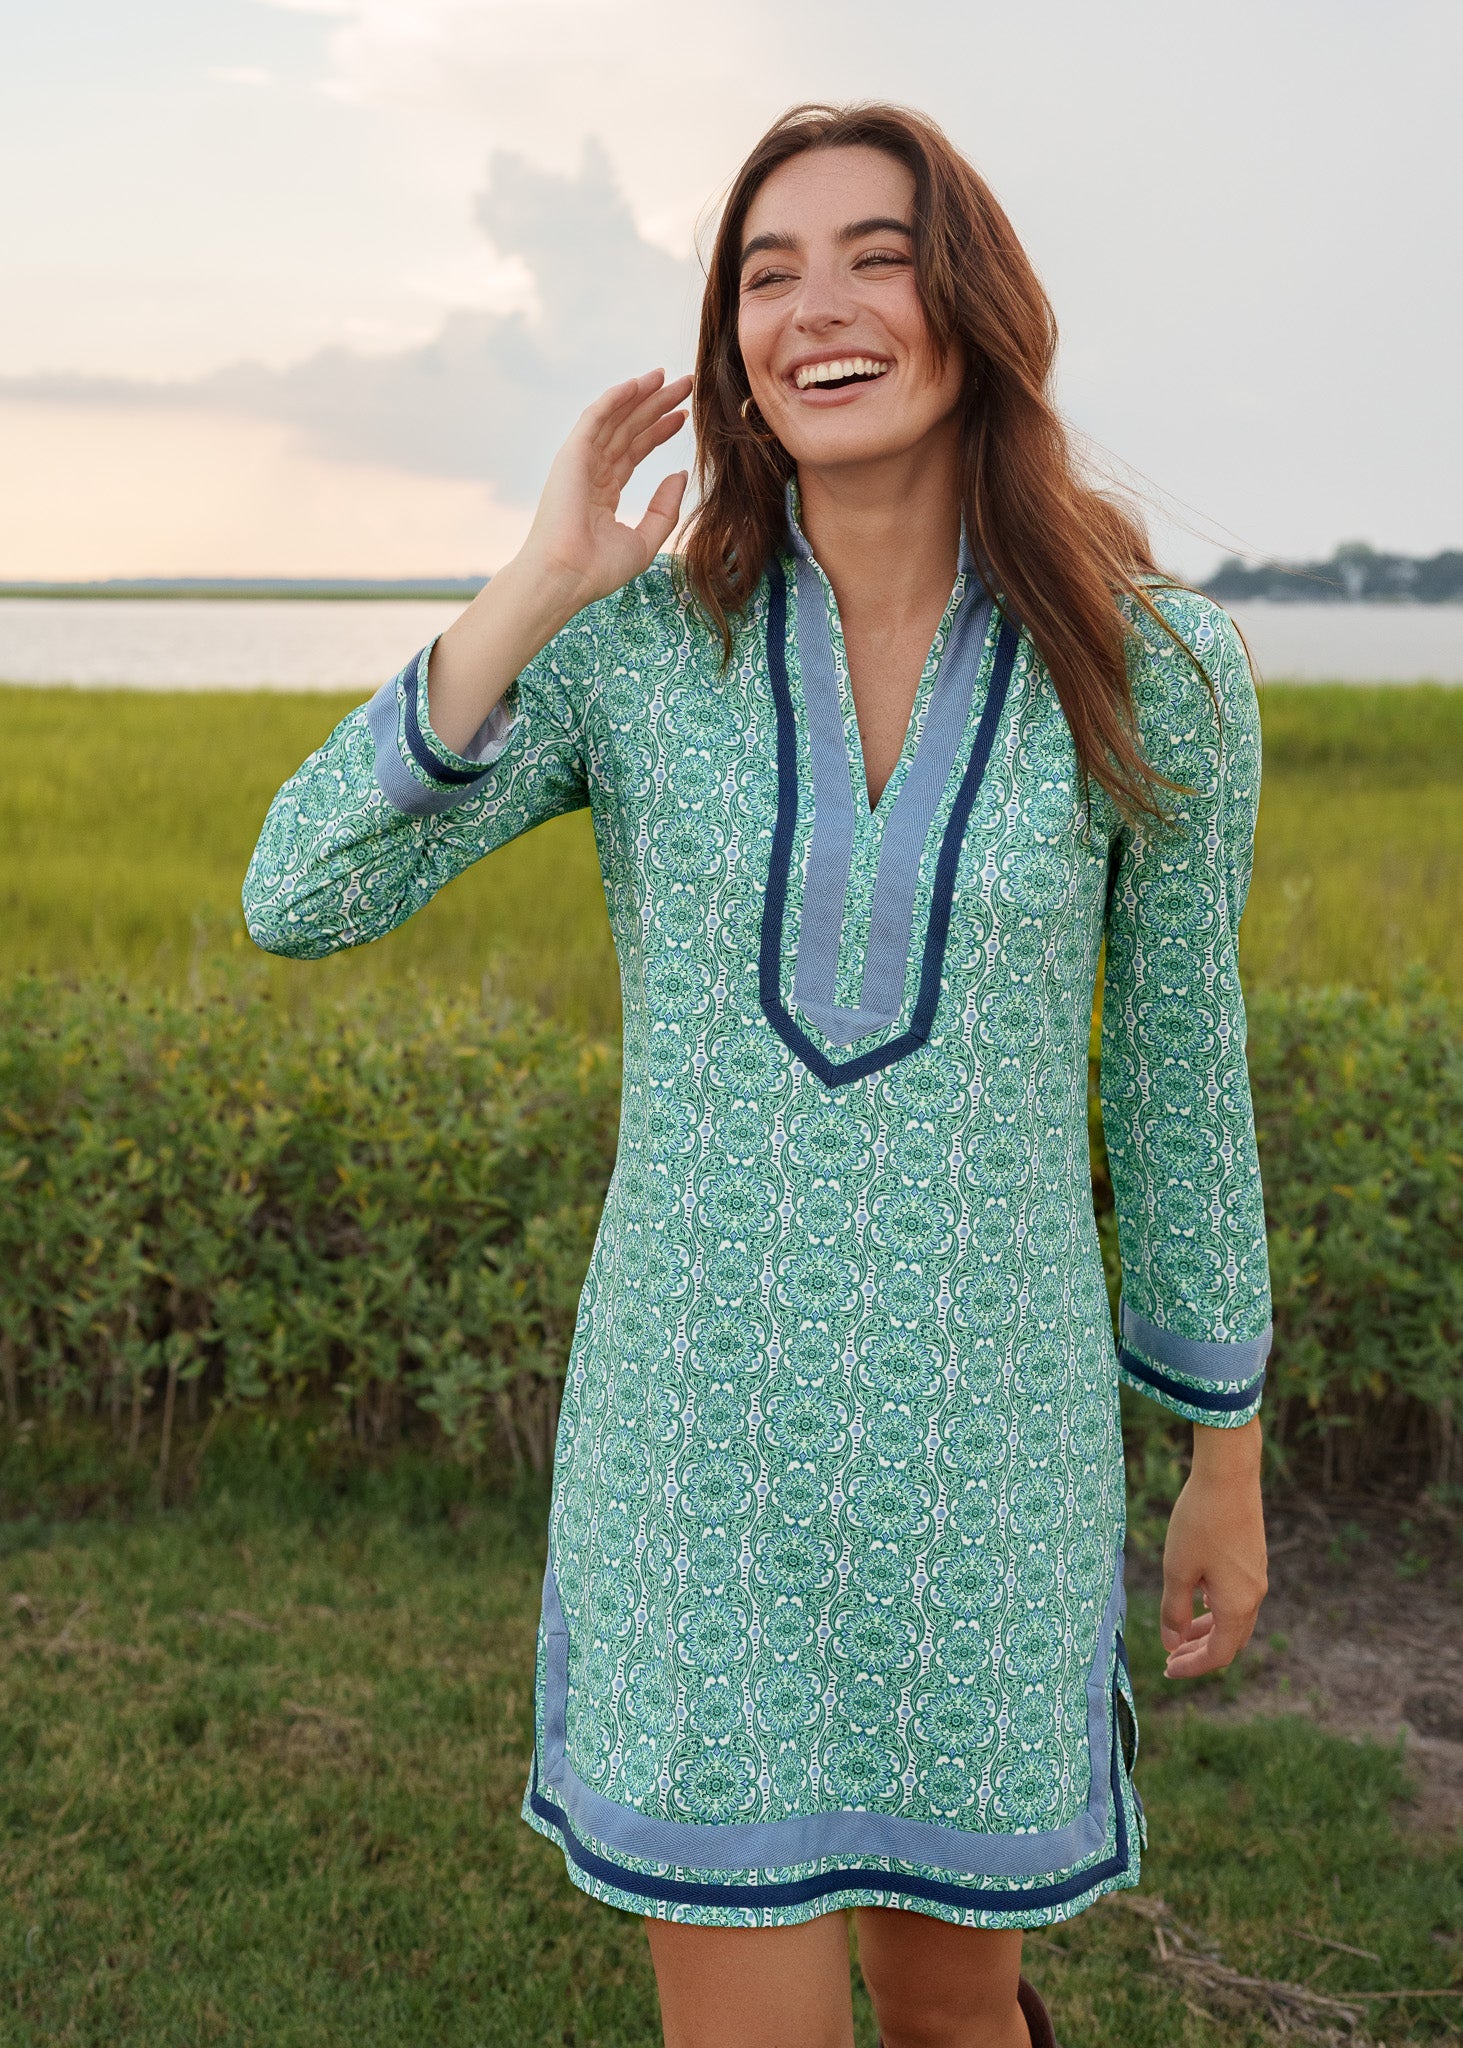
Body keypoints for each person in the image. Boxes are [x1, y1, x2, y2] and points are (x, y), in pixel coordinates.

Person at [244, 101, 1271, 2048]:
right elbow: (298, 891)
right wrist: (539, 583)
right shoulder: (636, 654)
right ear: (730, 347)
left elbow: (1181, 1085)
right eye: (765, 272)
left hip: (991, 1460)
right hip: (698, 1468)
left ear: (971, 302)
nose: (816, 307)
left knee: (965, 2009)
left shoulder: (1159, 672)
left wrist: (1222, 1456)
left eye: (873, 254)